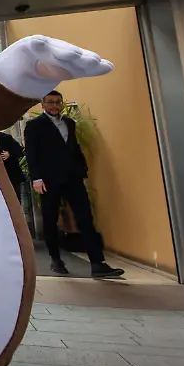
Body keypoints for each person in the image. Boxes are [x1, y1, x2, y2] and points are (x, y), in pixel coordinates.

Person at [24, 91, 124, 278]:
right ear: (43, 105)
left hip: (73, 179)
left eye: (57, 102)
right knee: (50, 220)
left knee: (85, 218)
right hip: (48, 181)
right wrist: (36, 179)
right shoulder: (34, 126)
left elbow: (74, 148)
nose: (54, 105)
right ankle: (55, 259)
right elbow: (31, 154)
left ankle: (97, 263)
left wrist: (82, 171)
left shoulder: (69, 123)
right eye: (50, 102)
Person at [0, 130, 24, 195]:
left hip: (11, 175)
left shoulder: (6, 138)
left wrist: (10, 153)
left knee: (14, 195)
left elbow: (20, 150)